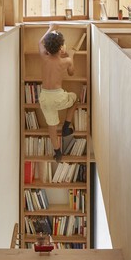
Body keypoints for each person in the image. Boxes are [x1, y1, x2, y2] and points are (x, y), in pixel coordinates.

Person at [38, 24, 78, 161]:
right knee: (74, 98)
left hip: (44, 97)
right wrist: (71, 56)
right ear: (61, 48)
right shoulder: (65, 61)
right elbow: (72, 73)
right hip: (58, 97)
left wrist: (50, 28)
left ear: (47, 48)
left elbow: (40, 42)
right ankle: (66, 126)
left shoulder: (44, 57)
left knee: (52, 126)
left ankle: (57, 152)